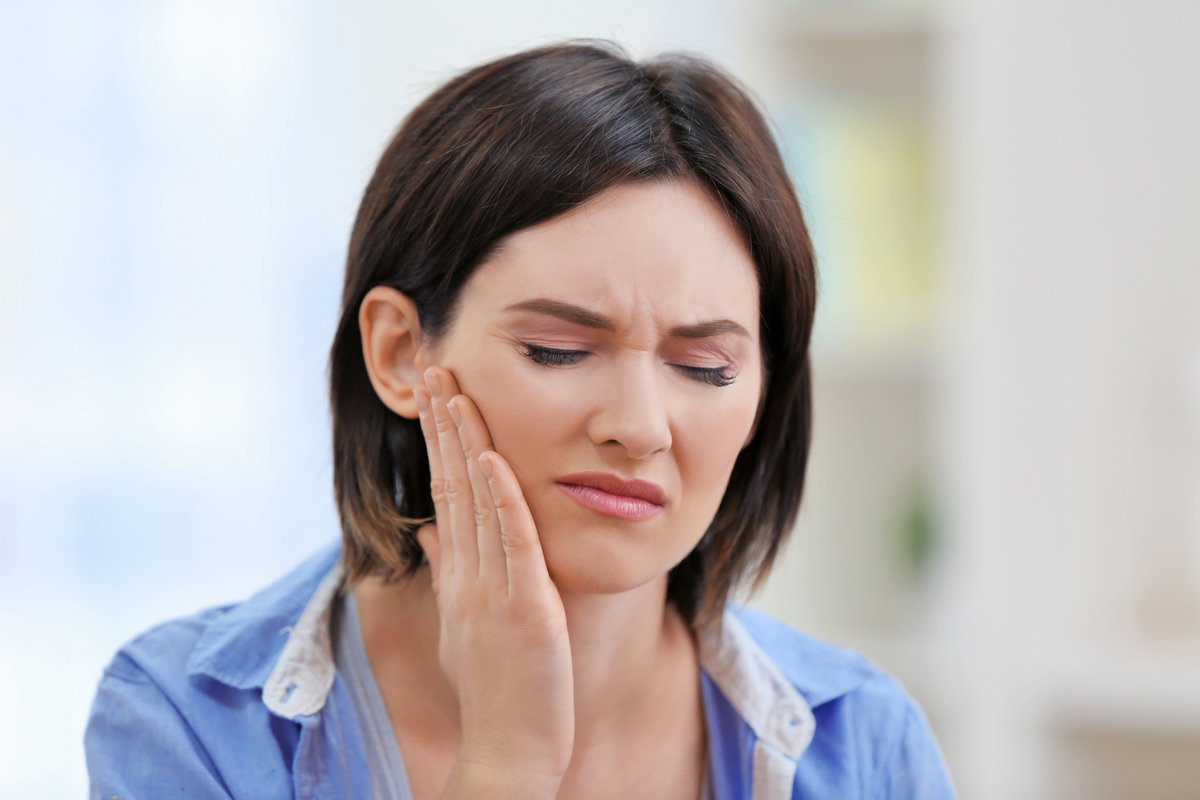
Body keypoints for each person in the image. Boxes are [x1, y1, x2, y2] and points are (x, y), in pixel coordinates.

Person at [85, 40, 956, 799]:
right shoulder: (187, 725)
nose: (640, 427)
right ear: (398, 352)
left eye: (704, 367)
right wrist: (505, 765)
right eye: (557, 349)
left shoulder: (865, 749)